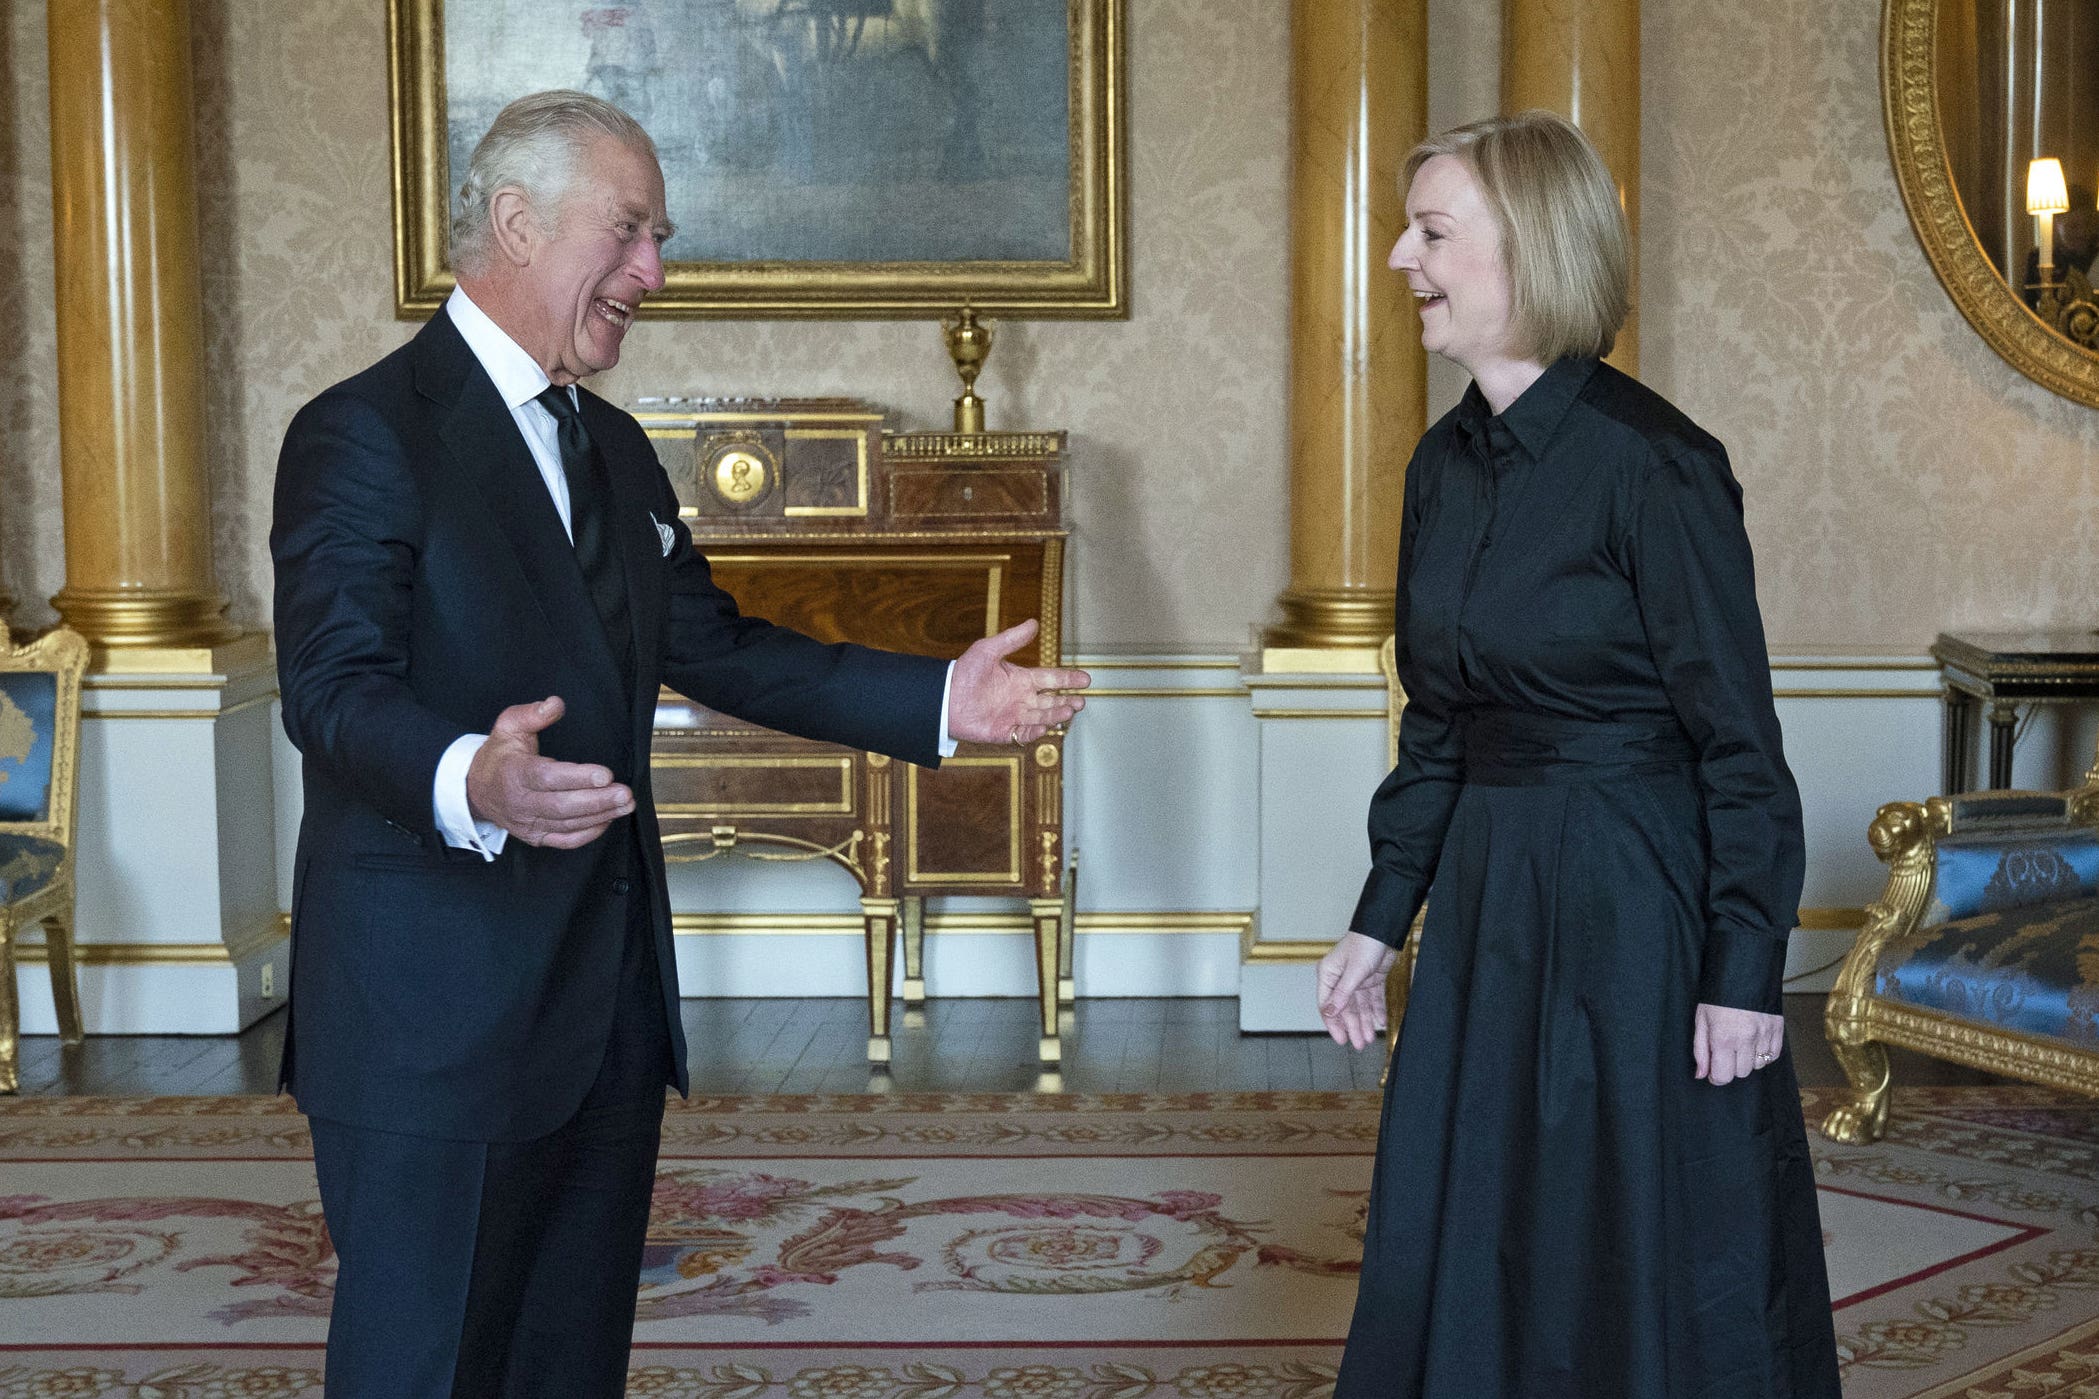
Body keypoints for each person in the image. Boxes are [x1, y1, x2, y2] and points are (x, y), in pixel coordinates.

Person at [270, 90, 1087, 1398]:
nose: (654, 271)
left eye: (661, 236)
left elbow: (718, 644)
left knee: (566, 1360)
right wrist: (468, 775)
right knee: (425, 1366)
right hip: (435, 1013)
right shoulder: (366, 431)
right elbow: (329, 682)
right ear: (516, 221)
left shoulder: (613, 447)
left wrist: (936, 700)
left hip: (601, 1011)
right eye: (631, 229)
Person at [1315, 111, 1840, 1397]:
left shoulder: (1656, 468)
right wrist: (1377, 922)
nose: (1397, 256)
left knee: (1642, 1229)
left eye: (1431, 231)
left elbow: (1740, 748)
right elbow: (1434, 721)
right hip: (1490, 901)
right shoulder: (1437, 467)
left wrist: (1740, 971)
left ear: (1532, 250)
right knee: (1483, 1210)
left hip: (1637, 902)